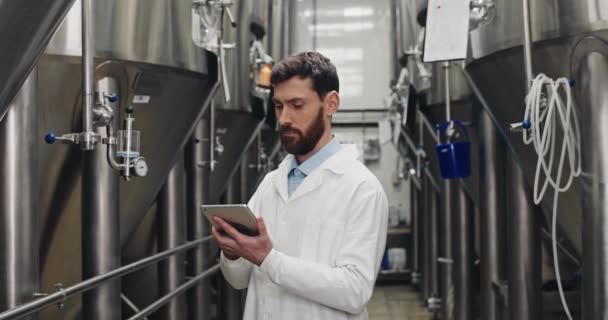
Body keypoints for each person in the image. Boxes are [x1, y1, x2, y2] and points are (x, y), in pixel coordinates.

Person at [212, 51, 389, 320]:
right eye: (279, 106)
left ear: (330, 104)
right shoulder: (271, 184)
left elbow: (355, 291)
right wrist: (233, 253)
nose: (284, 119)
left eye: (297, 105)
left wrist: (269, 259)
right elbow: (239, 280)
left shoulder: (362, 188)